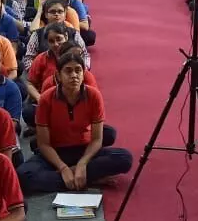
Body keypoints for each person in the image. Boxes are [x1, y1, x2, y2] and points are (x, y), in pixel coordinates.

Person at [18, 52, 133, 193]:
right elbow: (43, 144)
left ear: (84, 74)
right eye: (68, 71)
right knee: (23, 176)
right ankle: (84, 179)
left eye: (78, 70)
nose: (74, 75)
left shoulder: (93, 96)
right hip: (56, 151)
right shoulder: (46, 99)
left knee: (125, 158)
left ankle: (72, 177)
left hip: (83, 149)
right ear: (58, 76)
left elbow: (97, 139)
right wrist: (63, 168)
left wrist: (83, 163)